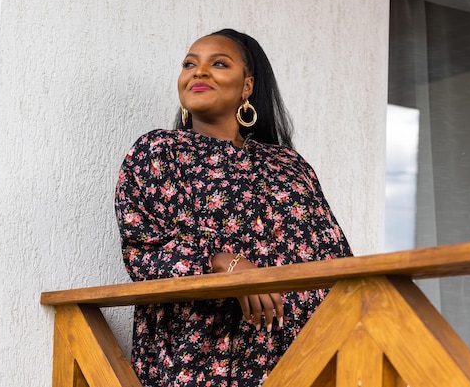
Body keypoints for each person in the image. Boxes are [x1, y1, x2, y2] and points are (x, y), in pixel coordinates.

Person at [114, 28, 352, 387]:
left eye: (219, 63)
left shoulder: (289, 166)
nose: (199, 71)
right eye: (189, 64)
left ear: (247, 87)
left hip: (296, 358)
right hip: (197, 359)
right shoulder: (159, 152)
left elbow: (332, 259)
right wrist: (223, 262)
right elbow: (143, 249)